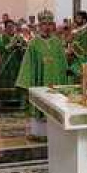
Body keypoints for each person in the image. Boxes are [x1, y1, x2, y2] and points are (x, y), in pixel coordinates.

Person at [15, 13, 69, 141]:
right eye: (44, 24)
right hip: (39, 80)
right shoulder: (33, 43)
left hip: (56, 80)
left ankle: (56, 132)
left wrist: (66, 76)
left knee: (56, 104)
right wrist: (26, 81)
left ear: (53, 26)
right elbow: (28, 64)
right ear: (39, 26)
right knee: (40, 104)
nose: (47, 27)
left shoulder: (57, 42)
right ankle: (39, 133)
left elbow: (63, 62)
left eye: (50, 24)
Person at [0, 20, 28, 109]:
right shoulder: (3, 37)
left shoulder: (19, 36)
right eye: (9, 27)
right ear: (6, 28)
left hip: (17, 62)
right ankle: (6, 99)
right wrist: (13, 45)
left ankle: (17, 98)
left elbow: (24, 46)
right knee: (6, 80)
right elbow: (3, 48)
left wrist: (21, 47)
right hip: (7, 61)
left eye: (12, 26)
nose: (11, 28)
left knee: (17, 79)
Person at [67, 10, 87, 83]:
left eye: (78, 18)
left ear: (84, 20)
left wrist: (72, 47)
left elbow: (84, 50)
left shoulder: (86, 33)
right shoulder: (77, 31)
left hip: (81, 62)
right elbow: (68, 41)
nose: (76, 20)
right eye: (76, 18)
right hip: (73, 60)